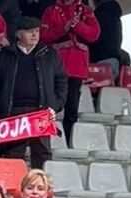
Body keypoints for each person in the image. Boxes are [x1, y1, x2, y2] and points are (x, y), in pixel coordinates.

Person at [0, 18, 65, 168]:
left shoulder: (50, 54)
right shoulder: (4, 55)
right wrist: (0, 109)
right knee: (13, 152)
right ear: (18, 34)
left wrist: (56, 105)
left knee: (42, 152)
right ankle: (13, 182)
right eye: (30, 31)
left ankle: (42, 182)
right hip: (13, 111)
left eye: (37, 31)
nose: (35, 35)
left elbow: (62, 81)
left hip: (41, 111)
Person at [39, 0, 98, 143]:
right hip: (56, 65)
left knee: (72, 108)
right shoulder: (50, 11)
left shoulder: (85, 10)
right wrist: (63, 28)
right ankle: (46, 140)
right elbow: (43, 35)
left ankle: (69, 141)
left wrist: (77, 25)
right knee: (50, 105)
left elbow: (94, 34)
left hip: (77, 66)